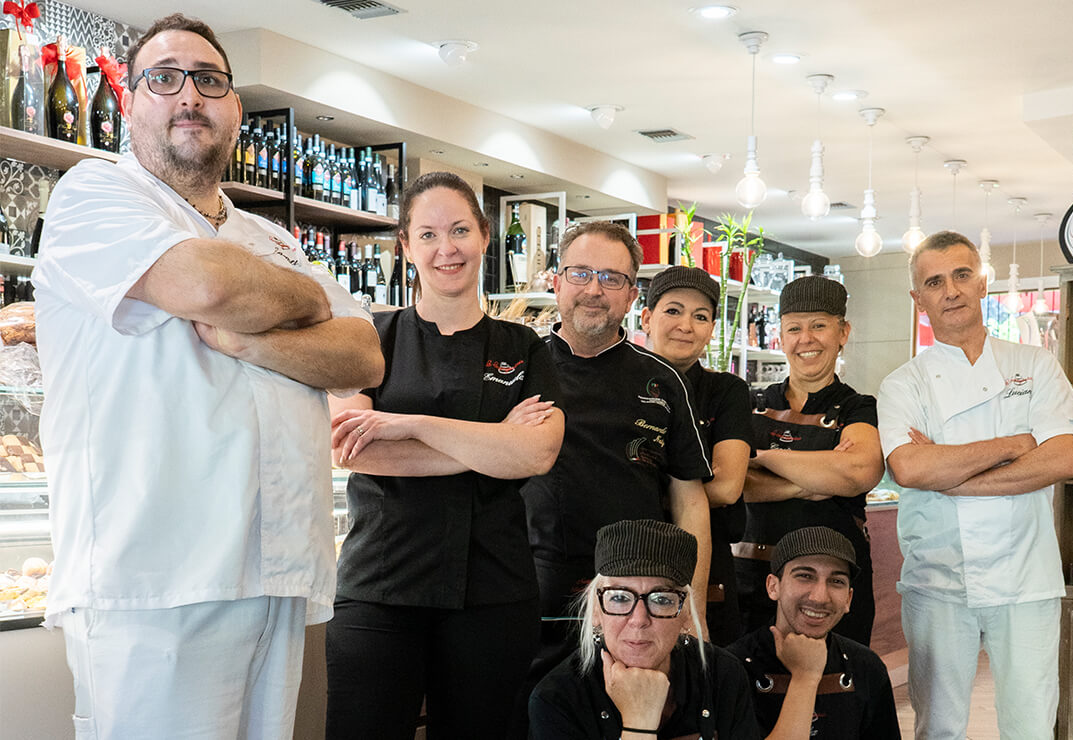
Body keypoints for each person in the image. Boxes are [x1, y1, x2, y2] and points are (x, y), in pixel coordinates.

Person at [32, 13, 385, 739]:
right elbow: (207, 288)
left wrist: (250, 343)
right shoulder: (94, 196)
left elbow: (361, 357)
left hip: (276, 573)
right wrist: (300, 303)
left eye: (210, 80)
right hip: (156, 581)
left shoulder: (271, 238)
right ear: (131, 103)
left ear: (235, 112)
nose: (188, 94)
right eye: (164, 79)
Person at [324, 171, 566, 739]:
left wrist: (411, 425)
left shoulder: (525, 348)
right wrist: (490, 443)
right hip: (379, 586)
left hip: (493, 591)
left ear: (484, 236)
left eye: (459, 230)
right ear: (405, 246)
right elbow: (350, 447)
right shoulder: (369, 337)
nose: (446, 248)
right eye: (427, 234)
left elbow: (536, 453)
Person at [877, 230, 1073, 739]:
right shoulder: (902, 384)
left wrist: (953, 478)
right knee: (939, 727)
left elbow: (1064, 458)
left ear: (982, 283)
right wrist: (1016, 442)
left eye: (961, 275)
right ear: (918, 299)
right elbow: (911, 469)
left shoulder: (1035, 365)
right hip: (936, 581)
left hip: (1025, 577)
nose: (950, 290)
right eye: (934, 281)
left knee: (1030, 725)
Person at [520, 222, 713, 684]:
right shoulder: (520, 367)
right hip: (527, 589)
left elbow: (690, 500)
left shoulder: (664, 381)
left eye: (611, 278)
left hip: (635, 598)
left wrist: (694, 607)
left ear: (631, 296)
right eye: (581, 273)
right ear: (557, 281)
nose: (594, 290)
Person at [735, 275, 884, 645]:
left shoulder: (858, 407)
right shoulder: (748, 404)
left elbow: (857, 471)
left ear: (843, 332)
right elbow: (733, 481)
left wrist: (764, 457)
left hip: (832, 588)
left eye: (819, 326)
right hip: (750, 582)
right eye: (795, 328)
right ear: (781, 337)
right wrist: (815, 479)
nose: (807, 339)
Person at [530, 518, 761, 739]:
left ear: (686, 613)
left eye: (661, 600)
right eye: (620, 598)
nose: (639, 619)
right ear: (596, 611)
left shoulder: (723, 675)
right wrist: (639, 723)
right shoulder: (557, 698)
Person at [640, 265, 752, 645]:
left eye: (700, 316)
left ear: (711, 330)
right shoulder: (624, 384)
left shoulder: (727, 391)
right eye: (673, 310)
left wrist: (640, 489)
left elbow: (727, 487)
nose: (686, 325)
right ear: (647, 317)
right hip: (632, 558)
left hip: (709, 562)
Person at [728, 526, 901, 739]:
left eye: (836, 581)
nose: (819, 597)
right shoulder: (733, 667)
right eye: (804, 576)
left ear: (848, 598)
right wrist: (805, 677)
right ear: (773, 586)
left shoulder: (867, 667)